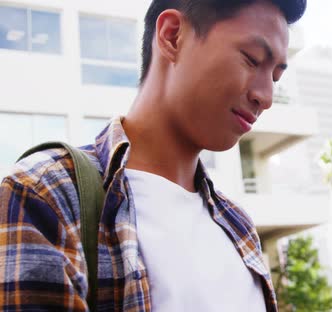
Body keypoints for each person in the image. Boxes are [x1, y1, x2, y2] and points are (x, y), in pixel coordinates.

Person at [0, 0, 306, 310]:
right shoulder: (46, 194)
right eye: (251, 60)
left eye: (276, 78)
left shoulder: (239, 226)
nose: (265, 97)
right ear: (173, 36)